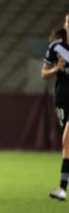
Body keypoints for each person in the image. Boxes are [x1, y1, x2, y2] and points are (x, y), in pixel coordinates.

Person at [41, 28, 69, 201]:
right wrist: (57, 69)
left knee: (67, 139)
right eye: (67, 20)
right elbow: (43, 73)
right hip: (62, 100)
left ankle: (62, 188)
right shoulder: (56, 47)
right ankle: (62, 189)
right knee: (67, 146)